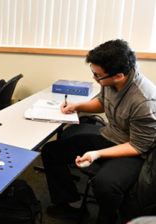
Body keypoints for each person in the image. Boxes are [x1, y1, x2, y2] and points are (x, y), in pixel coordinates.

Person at [41, 39, 156, 224]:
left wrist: (96, 154)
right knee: (51, 151)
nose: (94, 78)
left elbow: (138, 146)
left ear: (118, 75)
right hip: (110, 135)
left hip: (134, 152)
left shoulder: (144, 100)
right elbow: (102, 103)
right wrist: (77, 106)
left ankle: (107, 218)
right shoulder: (111, 81)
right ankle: (69, 205)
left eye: (97, 75)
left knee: (105, 184)